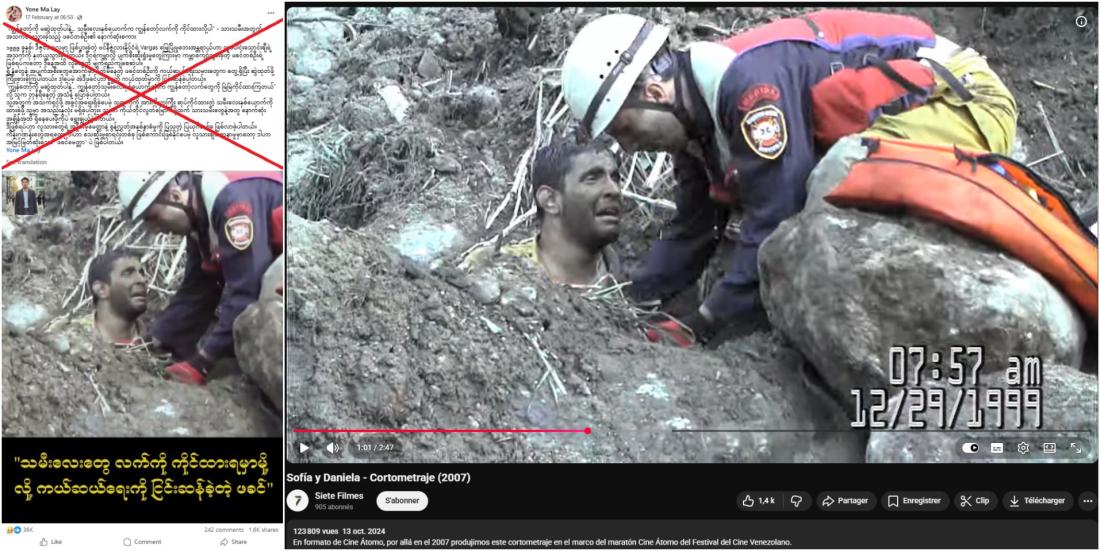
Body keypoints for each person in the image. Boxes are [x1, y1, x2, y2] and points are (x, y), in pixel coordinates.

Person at [560, 9, 1017, 345]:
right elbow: (694, 227)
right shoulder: (695, 119)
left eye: (625, 128)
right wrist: (626, 296)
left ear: (655, 92)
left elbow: (778, 214)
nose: (629, 146)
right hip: (917, 118)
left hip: (965, 101)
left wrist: (705, 321)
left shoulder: (750, 88)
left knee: (833, 181)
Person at [117, 171, 283, 385]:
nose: (156, 230)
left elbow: (247, 291)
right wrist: (154, 342)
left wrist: (203, 361)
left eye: (153, 217)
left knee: (268, 292)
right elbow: (199, 288)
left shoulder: (233, 205)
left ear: (175, 196)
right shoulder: (201, 215)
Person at [464, 140, 625, 287]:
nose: (614, 190)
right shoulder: (492, 268)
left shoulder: (630, 285)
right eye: (592, 179)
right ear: (550, 200)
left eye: (615, 179)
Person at [86, 250, 149, 345]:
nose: (142, 280)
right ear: (101, 289)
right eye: (127, 274)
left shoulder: (157, 342)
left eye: (141, 273)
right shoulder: (71, 339)